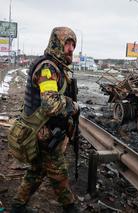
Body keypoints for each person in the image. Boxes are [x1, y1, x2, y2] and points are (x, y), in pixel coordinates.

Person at [11, 27, 80, 213]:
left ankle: (18, 206)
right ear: (56, 43)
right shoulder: (48, 68)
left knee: (37, 171)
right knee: (59, 173)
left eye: (73, 44)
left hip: (45, 131)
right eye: (67, 43)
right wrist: (72, 105)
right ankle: (70, 207)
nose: (71, 48)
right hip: (42, 133)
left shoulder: (57, 67)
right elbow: (50, 103)